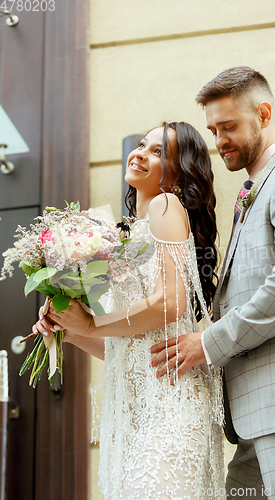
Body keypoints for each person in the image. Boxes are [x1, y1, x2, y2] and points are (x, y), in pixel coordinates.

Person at [150, 67, 275, 499]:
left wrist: (208, 343)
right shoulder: (254, 189)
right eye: (214, 130)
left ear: (264, 113)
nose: (219, 142)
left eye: (228, 126)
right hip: (254, 416)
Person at [34, 122, 225, 500]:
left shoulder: (166, 204)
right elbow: (129, 352)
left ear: (178, 174)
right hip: (137, 413)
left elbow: (170, 303)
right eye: (141, 145)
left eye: (157, 152)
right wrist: (72, 332)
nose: (140, 153)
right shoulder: (125, 237)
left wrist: (90, 320)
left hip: (172, 406)